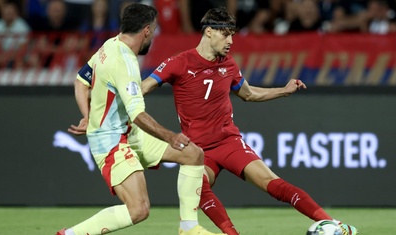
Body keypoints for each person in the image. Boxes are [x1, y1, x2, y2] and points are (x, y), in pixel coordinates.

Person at [70, 6, 359, 235]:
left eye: (233, 34)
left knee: (273, 183)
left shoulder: (229, 65)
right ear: (209, 32)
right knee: (198, 186)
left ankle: (332, 224)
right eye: (226, 35)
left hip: (228, 142)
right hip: (198, 147)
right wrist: (97, 114)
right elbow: (140, 89)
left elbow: (248, 94)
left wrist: (283, 90)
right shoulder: (177, 63)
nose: (231, 41)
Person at [58, 3, 225, 235]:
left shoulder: (110, 45)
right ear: (146, 31)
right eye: (154, 31)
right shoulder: (125, 63)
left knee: (193, 154)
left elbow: (80, 81)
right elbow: (137, 115)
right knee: (139, 210)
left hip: (130, 134)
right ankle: (69, 234)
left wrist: (87, 116)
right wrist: (170, 136)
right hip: (111, 141)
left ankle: (189, 228)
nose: (154, 36)